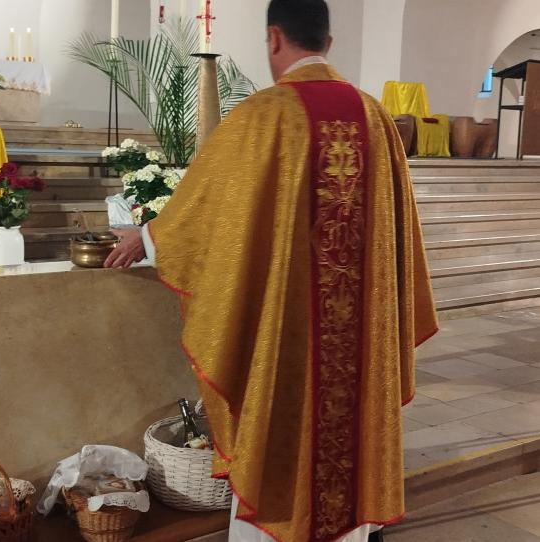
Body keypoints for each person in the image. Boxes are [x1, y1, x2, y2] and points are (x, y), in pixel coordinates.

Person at [104, 0, 439, 541]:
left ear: (275, 38)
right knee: (346, 469)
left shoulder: (263, 116)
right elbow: (400, 233)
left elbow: (206, 211)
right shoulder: (376, 118)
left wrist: (144, 238)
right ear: (328, 43)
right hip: (359, 342)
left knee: (277, 447)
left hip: (286, 344)